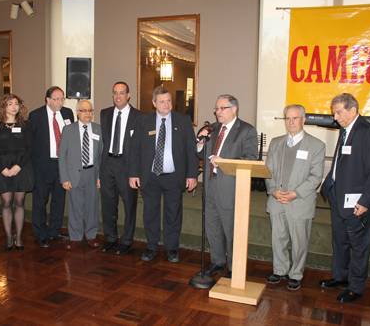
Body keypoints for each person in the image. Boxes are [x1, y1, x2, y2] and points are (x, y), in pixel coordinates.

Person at [319, 93, 370, 304]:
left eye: (339, 112)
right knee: (340, 241)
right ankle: (340, 277)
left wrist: (365, 201)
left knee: (360, 245)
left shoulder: (365, 132)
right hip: (338, 196)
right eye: (334, 112)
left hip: (358, 202)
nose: (335, 117)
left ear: (353, 110)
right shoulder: (346, 129)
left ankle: (356, 287)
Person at [129, 86, 198, 263]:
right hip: (150, 176)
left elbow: (191, 150)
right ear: (154, 103)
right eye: (162, 101)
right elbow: (135, 149)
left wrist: (192, 175)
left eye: (168, 100)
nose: (166, 104)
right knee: (150, 213)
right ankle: (151, 246)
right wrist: (133, 174)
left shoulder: (183, 120)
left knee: (173, 213)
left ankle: (172, 248)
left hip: (174, 176)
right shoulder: (143, 120)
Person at [196, 94, 258, 278]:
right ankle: (218, 262)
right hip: (210, 185)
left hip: (231, 188)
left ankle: (234, 267)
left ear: (234, 109)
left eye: (222, 108)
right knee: (212, 227)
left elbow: (250, 158)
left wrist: (225, 161)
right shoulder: (213, 129)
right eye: (216, 108)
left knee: (231, 230)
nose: (218, 112)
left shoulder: (246, 130)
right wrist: (200, 143)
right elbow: (202, 155)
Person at [265, 104, 325, 290]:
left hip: (299, 202)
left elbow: (316, 176)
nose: (291, 122)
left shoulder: (316, 145)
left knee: (299, 241)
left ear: (303, 120)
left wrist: (295, 193)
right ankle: (280, 270)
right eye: (288, 118)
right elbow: (268, 171)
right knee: (278, 238)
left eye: (295, 118)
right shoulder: (276, 142)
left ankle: (296, 274)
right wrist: (273, 189)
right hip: (277, 200)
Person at [100, 82, 143, 254]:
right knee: (108, 204)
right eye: (115, 93)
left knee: (129, 205)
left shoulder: (139, 117)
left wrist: (137, 171)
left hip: (127, 166)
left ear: (128, 95)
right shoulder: (105, 114)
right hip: (108, 164)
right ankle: (111, 238)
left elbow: (141, 147)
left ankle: (126, 241)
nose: (118, 96)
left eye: (122, 93)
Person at [29, 86, 74, 248]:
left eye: (62, 99)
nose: (60, 102)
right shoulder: (35, 116)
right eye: (56, 99)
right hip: (42, 165)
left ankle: (54, 229)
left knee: (58, 199)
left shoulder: (68, 113)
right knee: (40, 200)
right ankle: (40, 232)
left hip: (62, 165)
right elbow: (30, 143)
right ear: (47, 100)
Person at [0, 94, 34, 252]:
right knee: (6, 202)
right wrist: (2, 168)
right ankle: (9, 237)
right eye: (10, 104)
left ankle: (19, 237)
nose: (14, 107)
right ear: (3, 106)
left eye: (17, 104)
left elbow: (30, 148)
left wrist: (18, 166)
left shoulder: (25, 124)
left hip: (21, 165)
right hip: (2, 166)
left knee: (20, 202)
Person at [59, 100, 103, 250]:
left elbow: (102, 155)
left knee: (92, 206)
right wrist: (64, 177)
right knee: (75, 207)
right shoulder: (68, 130)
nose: (87, 113)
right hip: (74, 174)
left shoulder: (98, 129)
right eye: (84, 110)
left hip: (92, 173)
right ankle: (75, 237)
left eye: (90, 110)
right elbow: (62, 156)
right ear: (77, 112)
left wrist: (100, 176)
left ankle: (91, 235)